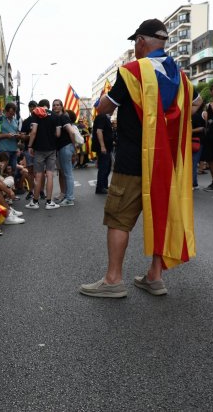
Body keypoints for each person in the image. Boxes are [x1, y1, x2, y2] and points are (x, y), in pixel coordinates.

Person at [79, 18, 201, 298]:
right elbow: (193, 107)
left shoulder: (133, 71)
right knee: (161, 218)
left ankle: (113, 281)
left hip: (134, 159)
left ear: (141, 42)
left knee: (119, 219)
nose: (135, 47)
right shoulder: (181, 78)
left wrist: (101, 101)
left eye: (135, 42)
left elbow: (104, 109)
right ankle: (154, 277)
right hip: (168, 165)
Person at [25, 99, 62, 210]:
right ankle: (49, 202)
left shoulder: (36, 114)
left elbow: (34, 132)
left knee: (39, 175)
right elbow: (58, 134)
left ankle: (35, 202)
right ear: (49, 105)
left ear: (40, 106)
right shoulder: (55, 116)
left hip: (39, 149)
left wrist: (30, 146)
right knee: (50, 174)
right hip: (51, 149)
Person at [52, 99, 78, 206]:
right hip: (64, 147)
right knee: (66, 173)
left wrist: (74, 147)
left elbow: (71, 132)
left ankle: (69, 198)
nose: (56, 107)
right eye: (54, 105)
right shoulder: (59, 118)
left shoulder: (63, 117)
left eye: (58, 105)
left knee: (68, 173)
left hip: (66, 147)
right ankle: (68, 196)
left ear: (62, 107)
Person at [0, 102, 22, 175]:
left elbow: (17, 133)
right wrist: (6, 135)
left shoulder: (15, 121)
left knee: (13, 171)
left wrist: (18, 136)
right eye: (10, 113)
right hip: (3, 150)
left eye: (13, 113)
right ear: (6, 111)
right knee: (2, 171)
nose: (11, 115)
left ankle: (11, 185)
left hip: (14, 150)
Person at [92, 113, 114, 194]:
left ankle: (104, 185)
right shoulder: (102, 116)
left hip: (107, 147)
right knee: (104, 168)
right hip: (104, 148)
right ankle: (100, 188)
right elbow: (99, 131)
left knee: (107, 168)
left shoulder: (105, 117)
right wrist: (102, 146)